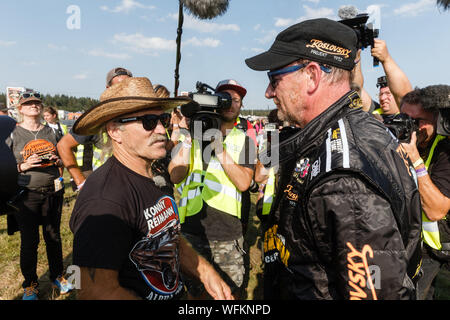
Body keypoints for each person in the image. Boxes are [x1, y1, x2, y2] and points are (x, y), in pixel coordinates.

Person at [245, 18, 422, 300]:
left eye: (274, 78)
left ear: (312, 76)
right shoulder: (355, 130)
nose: (268, 92)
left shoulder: (343, 176)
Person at [69, 77, 232, 300]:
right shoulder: (104, 201)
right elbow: (95, 291)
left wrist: (204, 271)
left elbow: (167, 237)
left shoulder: (150, 175)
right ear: (115, 131)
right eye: (147, 121)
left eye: (162, 119)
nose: (160, 130)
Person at [169, 79, 257, 299]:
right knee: (193, 293)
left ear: (240, 106)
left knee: (229, 293)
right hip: (190, 230)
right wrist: (189, 137)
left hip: (227, 233)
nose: (230, 104)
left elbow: (244, 183)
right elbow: (175, 175)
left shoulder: (244, 141)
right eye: (225, 98)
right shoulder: (191, 137)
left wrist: (218, 145)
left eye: (235, 99)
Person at [6, 90, 73, 300]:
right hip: (26, 194)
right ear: (21, 109)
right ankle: (30, 285)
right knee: (29, 241)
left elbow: (64, 159)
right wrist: (23, 165)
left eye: (37, 103)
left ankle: (57, 276)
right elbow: (4, 166)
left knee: (53, 236)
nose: (34, 106)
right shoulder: (13, 134)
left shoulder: (52, 131)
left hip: (52, 191)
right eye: (29, 104)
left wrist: (58, 160)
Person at [400, 85, 450, 300]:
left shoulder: (445, 150)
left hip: (439, 254)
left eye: (418, 121)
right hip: (408, 249)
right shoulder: (396, 144)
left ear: (435, 119)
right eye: (404, 120)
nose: (411, 128)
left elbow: (436, 210)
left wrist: (415, 162)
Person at [57, 67, 133, 190]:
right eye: (118, 86)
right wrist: (80, 182)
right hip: (105, 186)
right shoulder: (98, 117)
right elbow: (63, 145)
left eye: (127, 85)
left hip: (132, 184)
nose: (123, 89)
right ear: (108, 89)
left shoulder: (138, 113)